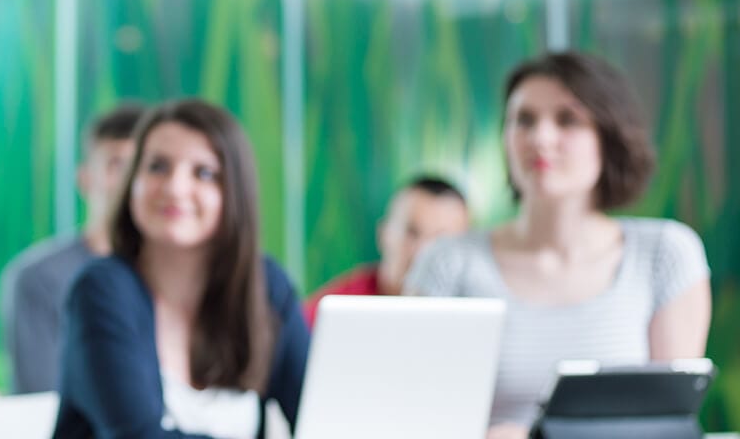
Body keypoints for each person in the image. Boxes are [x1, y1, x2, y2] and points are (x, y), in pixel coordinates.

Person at [406, 51, 711, 439]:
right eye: (524, 120)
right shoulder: (446, 262)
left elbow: (667, 423)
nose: (541, 138)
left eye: (568, 120)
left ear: (609, 137)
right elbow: (414, 416)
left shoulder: (665, 255)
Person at [54, 99, 308, 439]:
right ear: (132, 183)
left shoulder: (266, 287)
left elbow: (318, 415)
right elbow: (138, 436)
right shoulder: (101, 290)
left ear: (234, 192)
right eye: (157, 167)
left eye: (204, 173)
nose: (175, 188)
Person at [0, 103, 144, 393]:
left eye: (146, 166)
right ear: (84, 178)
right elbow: (39, 400)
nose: (131, 181)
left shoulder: (174, 276)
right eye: (117, 165)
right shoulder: (39, 278)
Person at [302, 174, 470, 325]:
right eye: (411, 233)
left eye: (441, 241)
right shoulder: (324, 316)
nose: (423, 252)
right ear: (383, 235)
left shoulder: (471, 318)